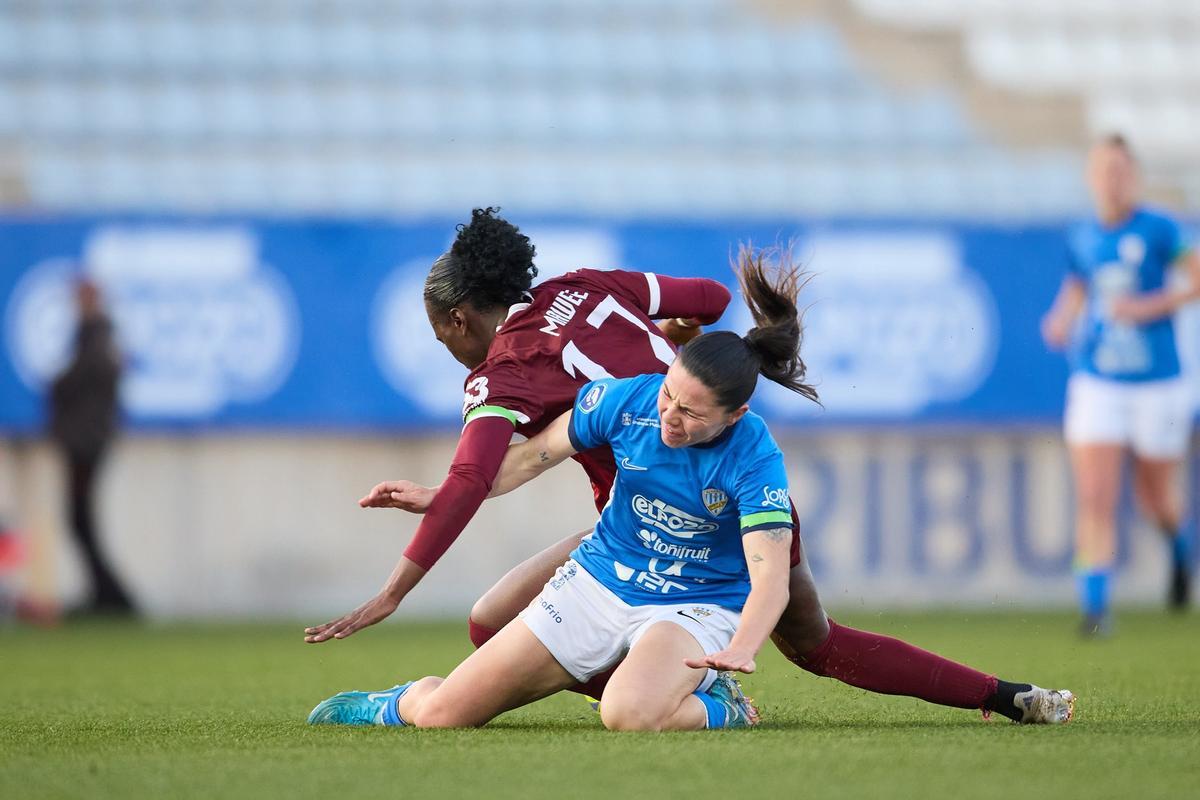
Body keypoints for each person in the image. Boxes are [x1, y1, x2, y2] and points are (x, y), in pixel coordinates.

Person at [307, 209, 1072, 725]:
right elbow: (708, 296)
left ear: (458, 318)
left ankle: (692, 694)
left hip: (682, 530)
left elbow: (478, 475)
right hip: (661, 524)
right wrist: (680, 335)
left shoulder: (505, 374)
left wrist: (393, 589)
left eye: (443, 335)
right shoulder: (585, 289)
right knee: (819, 645)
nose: (669, 412)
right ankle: (677, 686)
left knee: (495, 623)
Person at [1042, 134, 1200, 636]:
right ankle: (1095, 609)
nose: (1112, 180)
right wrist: (1061, 318)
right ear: (1091, 178)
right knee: (1095, 495)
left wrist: (1148, 307)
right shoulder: (1082, 235)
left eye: (1121, 170)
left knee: (1154, 496)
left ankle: (1179, 545)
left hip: (1158, 383)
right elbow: (1079, 284)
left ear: (1133, 177)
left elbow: (1196, 279)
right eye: (1104, 170)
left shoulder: (1159, 229)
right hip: (1099, 381)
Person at [47, 278, 134, 615]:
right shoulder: (93, 338)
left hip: (86, 443)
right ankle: (106, 595)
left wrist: (59, 386)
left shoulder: (97, 339)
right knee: (80, 522)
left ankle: (113, 597)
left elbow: (82, 383)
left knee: (80, 521)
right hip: (85, 440)